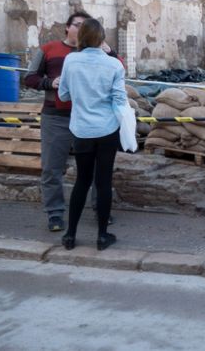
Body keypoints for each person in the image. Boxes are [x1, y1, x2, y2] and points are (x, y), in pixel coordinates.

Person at [25, 11, 120, 232]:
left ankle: (100, 211)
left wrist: (111, 53)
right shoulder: (49, 50)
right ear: (67, 28)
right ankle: (55, 214)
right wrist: (50, 83)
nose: (80, 29)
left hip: (88, 119)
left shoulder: (98, 54)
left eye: (85, 26)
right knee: (52, 168)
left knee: (98, 170)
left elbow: (117, 72)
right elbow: (29, 78)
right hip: (56, 118)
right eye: (77, 25)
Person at [58, 18, 128, 251]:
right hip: (107, 129)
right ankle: (101, 236)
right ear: (102, 38)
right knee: (103, 181)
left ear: (81, 36)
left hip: (82, 130)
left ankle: (70, 235)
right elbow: (119, 99)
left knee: (82, 181)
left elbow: (64, 95)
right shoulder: (114, 65)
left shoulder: (71, 60)